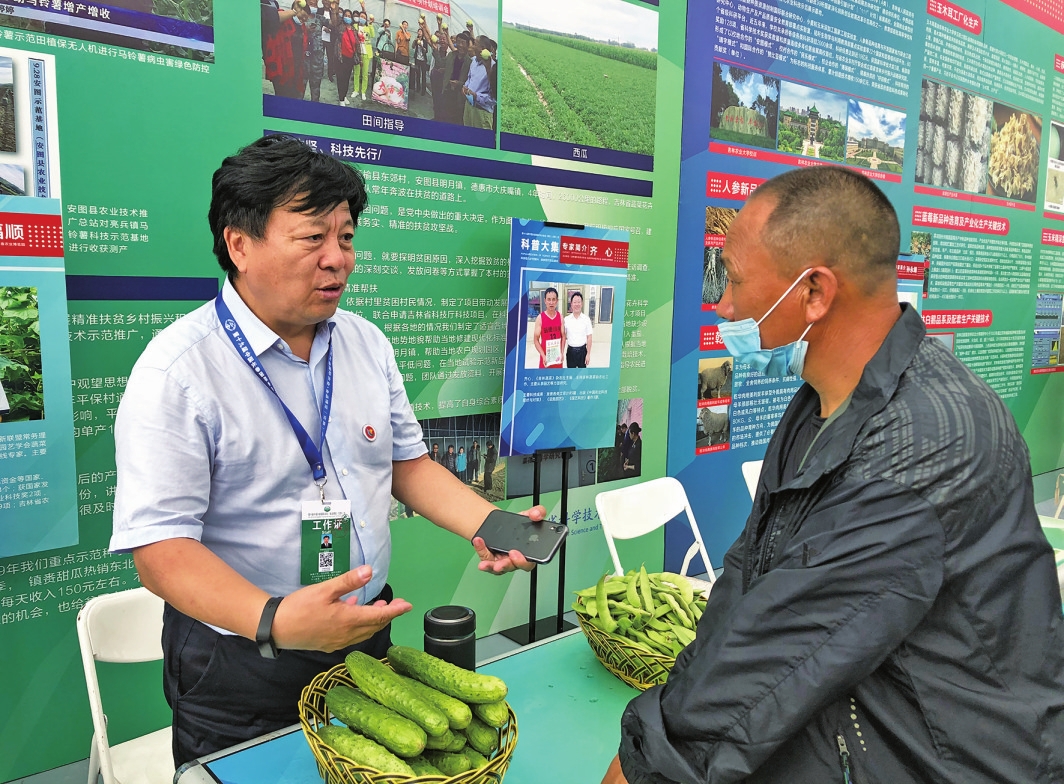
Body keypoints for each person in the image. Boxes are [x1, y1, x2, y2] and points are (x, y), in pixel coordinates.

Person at [602, 166, 1064, 784]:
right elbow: (748, 578)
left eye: (735, 282)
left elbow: (776, 657)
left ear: (813, 292)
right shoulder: (818, 404)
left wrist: (643, 766)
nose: (723, 306)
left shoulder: (926, 447)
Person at [110, 134, 544, 768]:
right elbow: (160, 551)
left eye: (345, 238)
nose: (337, 259)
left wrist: (491, 525)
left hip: (364, 639)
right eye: (313, 237)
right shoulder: (178, 374)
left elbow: (407, 465)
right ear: (240, 244)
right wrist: (279, 620)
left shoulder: (365, 344)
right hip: (246, 660)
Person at [261, 0, 302, 98]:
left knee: (288, 87)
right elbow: (272, 18)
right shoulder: (261, 3)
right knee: (281, 86)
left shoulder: (274, 3)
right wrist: (294, 11)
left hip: (284, 52)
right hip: (273, 52)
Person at [461, 38, 496, 130]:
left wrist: (476, 96)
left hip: (482, 112)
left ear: (482, 48)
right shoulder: (474, 62)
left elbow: (494, 99)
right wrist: (465, 86)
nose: (472, 46)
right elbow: (469, 78)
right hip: (469, 106)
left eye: (475, 44)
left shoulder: (493, 68)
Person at [441, 31, 472, 125]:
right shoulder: (451, 55)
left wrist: (459, 83)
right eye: (458, 42)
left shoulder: (469, 62)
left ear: (467, 46)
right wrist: (435, 48)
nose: (460, 45)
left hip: (460, 97)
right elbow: (440, 63)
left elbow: (470, 82)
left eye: (463, 43)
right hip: (447, 91)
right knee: (444, 117)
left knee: (455, 120)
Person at [534, 287, 565, 369]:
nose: (551, 302)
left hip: (557, 358)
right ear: (545, 301)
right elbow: (536, 340)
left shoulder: (560, 317)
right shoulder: (540, 318)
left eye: (553, 299)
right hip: (545, 359)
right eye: (549, 299)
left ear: (557, 301)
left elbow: (563, 336)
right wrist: (543, 355)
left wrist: (562, 352)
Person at [300, 0, 325, 101]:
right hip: (303, 58)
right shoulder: (300, 18)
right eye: (311, 4)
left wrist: (334, 10)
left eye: (315, 4)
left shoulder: (319, 18)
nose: (313, 6)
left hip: (317, 60)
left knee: (316, 87)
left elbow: (333, 23)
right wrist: (306, 30)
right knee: (301, 85)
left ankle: (314, 107)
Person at [564, 291, 593, 368]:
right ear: (571, 304)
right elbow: (563, 337)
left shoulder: (586, 319)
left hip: (582, 352)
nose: (577, 304)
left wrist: (588, 354)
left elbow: (589, 337)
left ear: (582, 304)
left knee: (582, 376)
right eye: (575, 302)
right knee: (571, 375)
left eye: (579, 302)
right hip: (570, 352)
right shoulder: (566, 320)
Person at [336, 13, 358, 106]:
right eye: (346, 15)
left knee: (347, 78)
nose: (347, 18)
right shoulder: (340, 27)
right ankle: (341, 98)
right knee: (341, 78)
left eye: (349, 16)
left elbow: (357, 44)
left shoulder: (354, 30)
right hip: (341, 57)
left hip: (350, 57)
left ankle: (344, 96)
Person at [411, 27, 430, 96]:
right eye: (418, 31)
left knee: (424, 75)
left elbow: (426, 51)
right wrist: (414, 41)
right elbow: (413, 47)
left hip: (423, 60)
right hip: (417, 59)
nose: (419, 33)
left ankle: (423, 91)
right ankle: (418, 88)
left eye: (420, 32)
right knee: (417, 74)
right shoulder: (416, 40)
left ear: (423, 34)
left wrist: (421, 46)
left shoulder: (425, 41)